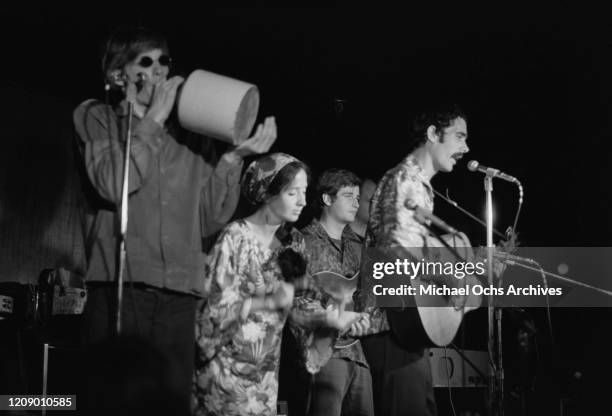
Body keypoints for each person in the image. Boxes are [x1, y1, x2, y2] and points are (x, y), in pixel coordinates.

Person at [73, 26, 276, 413]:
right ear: (119, 76)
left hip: (180, 298)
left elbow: (209, 219)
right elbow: (113, 183)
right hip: (121, 289)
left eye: (164, 61)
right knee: (111, 404)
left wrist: (232, 159)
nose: (161, 71)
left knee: (168, 404)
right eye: (145, 62)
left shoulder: (191, 138)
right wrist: (151, 122)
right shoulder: (98, 117)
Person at [360, 104, 470, 416]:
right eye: (459, 137)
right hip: (391, 322)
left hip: (407, 329)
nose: (466, 148)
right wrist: (449, 278)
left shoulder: (421, 187)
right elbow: (396, 251)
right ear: (433, 134)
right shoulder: (405, 179)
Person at [193, 153, 310, 416]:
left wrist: (330, 318)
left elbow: (297, 313)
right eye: (293, 193)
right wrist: (266, 301)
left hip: (265, 383)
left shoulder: (293, 246)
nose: (303, 201)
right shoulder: (236, 238)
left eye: (304, 192)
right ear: (268, 193)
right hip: (225, 377)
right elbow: (210, 313)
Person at [290, 168, 374, 416]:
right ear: (327, 199)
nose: (356, 203)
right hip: (323, 356)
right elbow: (294, 300)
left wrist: (365, 317)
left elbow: (367, 302)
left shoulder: (358, 251)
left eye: (358, 197)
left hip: (358, 356)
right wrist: (330, 318)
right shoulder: (302, 241)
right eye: (348, 196)